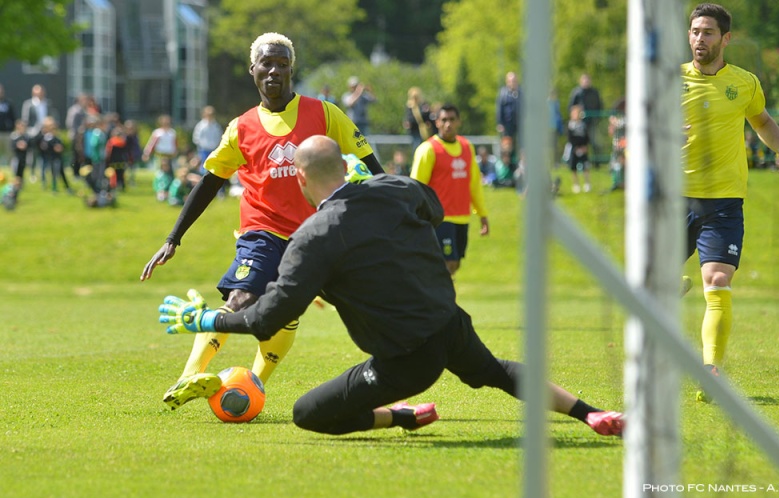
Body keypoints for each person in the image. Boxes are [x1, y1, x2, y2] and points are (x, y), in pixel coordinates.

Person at [157, 135, 625, 437]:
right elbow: (435, 208)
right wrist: (378, 179)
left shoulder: (312, 236)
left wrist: (204, 318)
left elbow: (267, 317)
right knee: (497, 372)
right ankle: (591, 414)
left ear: (301, 178)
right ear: (345, 164)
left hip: (406, 362)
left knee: (308, 414)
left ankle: (399, 415)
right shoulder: (396, 188)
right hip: (449, 324)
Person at [139, 32, 385, 411]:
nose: (274, 71)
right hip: (262, 231)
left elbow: (369, 164)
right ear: (252, 70)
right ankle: (189, 375)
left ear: (292, 70)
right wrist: (174, 238)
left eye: (282, 64)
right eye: (266, 63)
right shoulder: (241, 127)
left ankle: (253, 384)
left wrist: (393, 206)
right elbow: (210, 181)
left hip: (314, 234)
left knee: (287, 313)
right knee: (241, 298)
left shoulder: (325, 114)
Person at [682, 3, 779, 402]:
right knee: (646, 283)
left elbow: (761, 120)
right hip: (674, 200)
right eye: (695, 31)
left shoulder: (744, 83)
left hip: (725, 202)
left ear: (725, 39)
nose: (700, 39)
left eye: (708, 32)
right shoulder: (668, 81)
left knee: (717, 281)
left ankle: (710, 369)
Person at [410, 104, 489, 276]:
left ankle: (436, 299)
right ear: (437, 122)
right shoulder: (428, 149)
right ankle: (442, 302)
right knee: (447, 263)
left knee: (455, 264)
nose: (448, 124)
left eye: (452, 120)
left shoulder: (467, 147)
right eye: (444, 120)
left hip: (462, 217)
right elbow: (415, 187)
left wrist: (482, 213)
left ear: (459, 122)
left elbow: (474, 183)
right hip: (439, 218)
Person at [568, 73, 604, 169]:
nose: (586, 82)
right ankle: (573, 163)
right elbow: (571, 106)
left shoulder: (594, 92)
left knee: (595, 142)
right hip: (579, 124)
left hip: (592, 122)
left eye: (587, 80)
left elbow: (599, 106)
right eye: (584, 80)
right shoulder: (576, 92)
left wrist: (597, 117)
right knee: (576, 143)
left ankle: (597, 163)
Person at [37, 117, 71, 193]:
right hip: (52, 158)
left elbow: (62, 147)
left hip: (58, 158)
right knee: (53, 174)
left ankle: (67, 187)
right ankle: (54, 188)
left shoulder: (58, 138)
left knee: (61, 173)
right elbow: (44, 147)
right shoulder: (47, 138)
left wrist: (60, 148)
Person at [495, 72, 522, 164]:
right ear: (507, 82)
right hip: (507, 124)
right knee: (507, 147)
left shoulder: (521, 93)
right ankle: (507, 165)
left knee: (520, 146)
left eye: (514, 81)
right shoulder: (503, 93)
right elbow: (499, 109)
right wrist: (500, 123)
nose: (513, 83)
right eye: (511, 81)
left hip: (519, 124)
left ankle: (519, 164)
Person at [566, 104, 591, 193]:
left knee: (585, 166)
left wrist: (584, 146)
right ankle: (576, 185)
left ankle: (587, 184)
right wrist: (576, 147)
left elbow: (586, 137)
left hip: (583, 149)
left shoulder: (583, 125)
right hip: (574, 149)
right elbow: (570, 138)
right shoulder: (570, 125)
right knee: (573, 168)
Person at [192, 105, 224, 173]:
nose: (210, 116)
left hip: (213, 150)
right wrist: (202, 145)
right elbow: (196, 138)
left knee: (212, 167)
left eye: (211, 114)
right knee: (203, 167)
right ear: (204, 114)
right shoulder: (200, 126)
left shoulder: (216, 126)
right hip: (203, 150)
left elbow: (219, 137)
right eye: (208, 114)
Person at [403, 86, 434, 152]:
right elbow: (409, 119)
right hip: (415, 131)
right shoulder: (410, 107)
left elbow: (428, 116)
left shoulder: (424, 105)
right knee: (417, 148)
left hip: (425, 130)